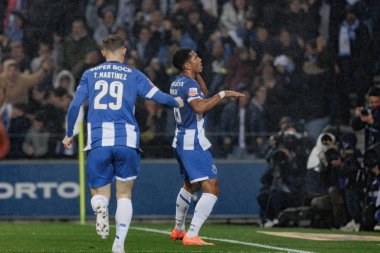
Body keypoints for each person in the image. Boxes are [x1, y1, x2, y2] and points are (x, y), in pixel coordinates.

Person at [62, 34, 183, 253]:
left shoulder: (90, 74)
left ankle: (100, 206)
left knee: (98, 192)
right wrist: (177, 101)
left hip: (99, 140)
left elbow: (74, 106)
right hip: (127, 140)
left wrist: (69, 133)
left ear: (102, 52)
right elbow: (158, 97)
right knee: (124, 194)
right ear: (124, 51)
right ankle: (119, 243)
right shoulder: (133, 74)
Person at [169, 47, 244, 245]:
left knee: (190, 186)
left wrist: (197, 72)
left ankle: (178, 229)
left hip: (180, 140)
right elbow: (200, 105)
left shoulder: (178, 82)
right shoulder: (189, 84)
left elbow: (203, 93)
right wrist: (224, 94)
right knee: (212, 188)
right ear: (186, 64)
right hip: (192, 142)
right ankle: (192, 235)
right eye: (195, 57)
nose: (200, 58)